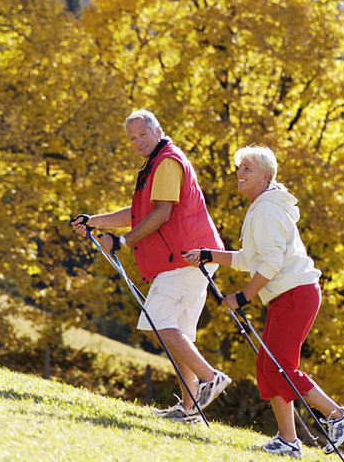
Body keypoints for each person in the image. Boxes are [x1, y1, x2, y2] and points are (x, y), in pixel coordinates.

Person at [184, 145, 344, 457]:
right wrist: (210, 254)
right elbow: (250, 259)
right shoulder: (261, 207)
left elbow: (271, 263)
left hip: (295, 294)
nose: (240, 173)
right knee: (268, 367)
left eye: (248, 169)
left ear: (266, 176)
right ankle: (288, 440)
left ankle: (338, 415)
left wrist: (243, 297)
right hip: (289, 296)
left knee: (279, 366)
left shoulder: (265, 209)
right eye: (240, 167)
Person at [71, 109, 231, 423]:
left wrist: (122, 241)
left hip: (185, 258)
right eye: (132, 138)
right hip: (190, 258)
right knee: (178, 330)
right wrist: (95, 221)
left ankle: (211, 377)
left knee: (155, 322)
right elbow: (139, 210)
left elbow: (162, 214)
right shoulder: (155, 165)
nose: (138, 141)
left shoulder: (168, 161)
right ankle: (189, 409)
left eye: (143, 134)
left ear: (157, 129)